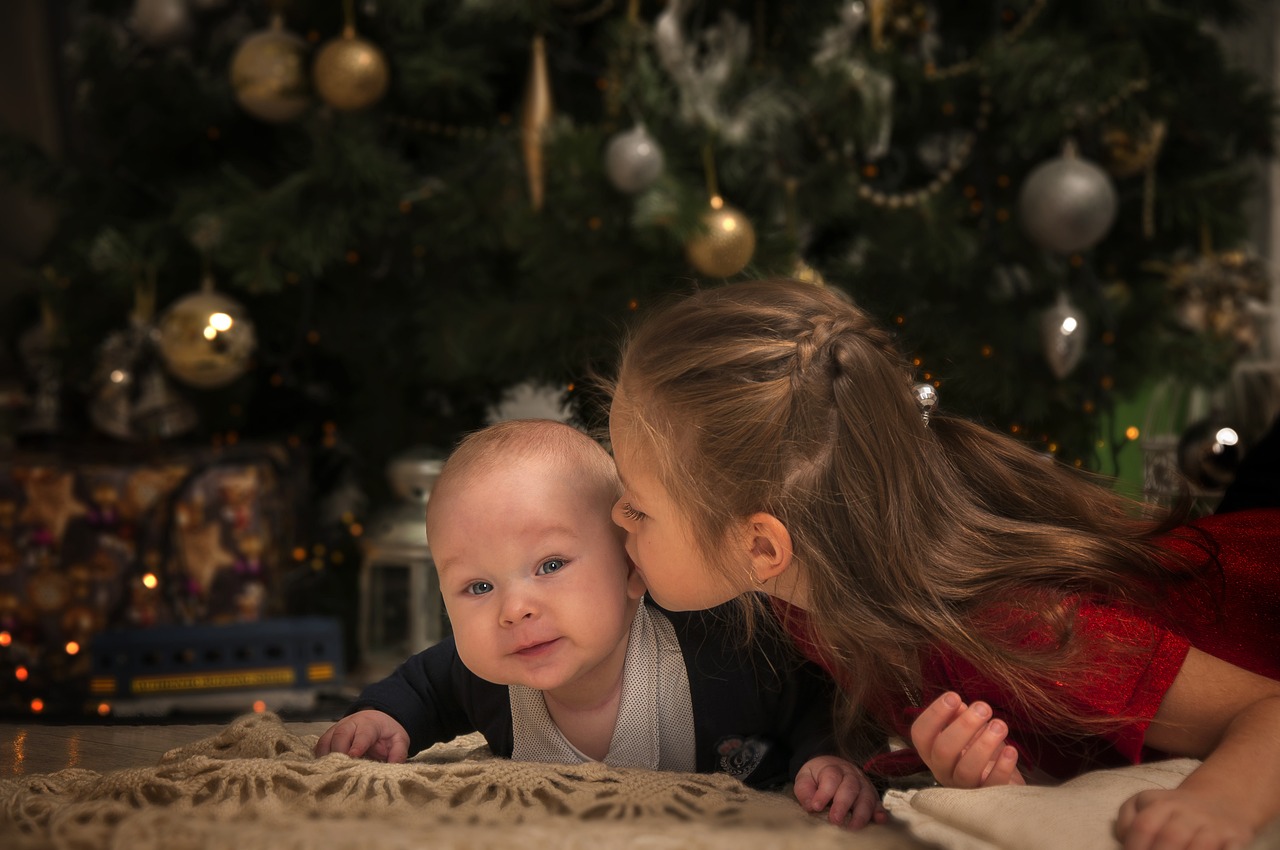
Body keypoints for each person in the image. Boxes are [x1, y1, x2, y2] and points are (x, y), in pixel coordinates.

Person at [606, 278, 1280, 850]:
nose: (615, 518)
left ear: (760, 548)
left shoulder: (1018, 627)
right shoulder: (809, 588)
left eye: (636, 508)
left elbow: (1268, 710)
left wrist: (1218, 805)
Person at [315, 418, 884, 829]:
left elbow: (814, 691)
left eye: (551, 565)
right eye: (478, 587)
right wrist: (383, 717)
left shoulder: (720, 646)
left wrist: (828, 758)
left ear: (632, 567)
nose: (513, 609)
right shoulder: (484, 675)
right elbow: (422, 686)